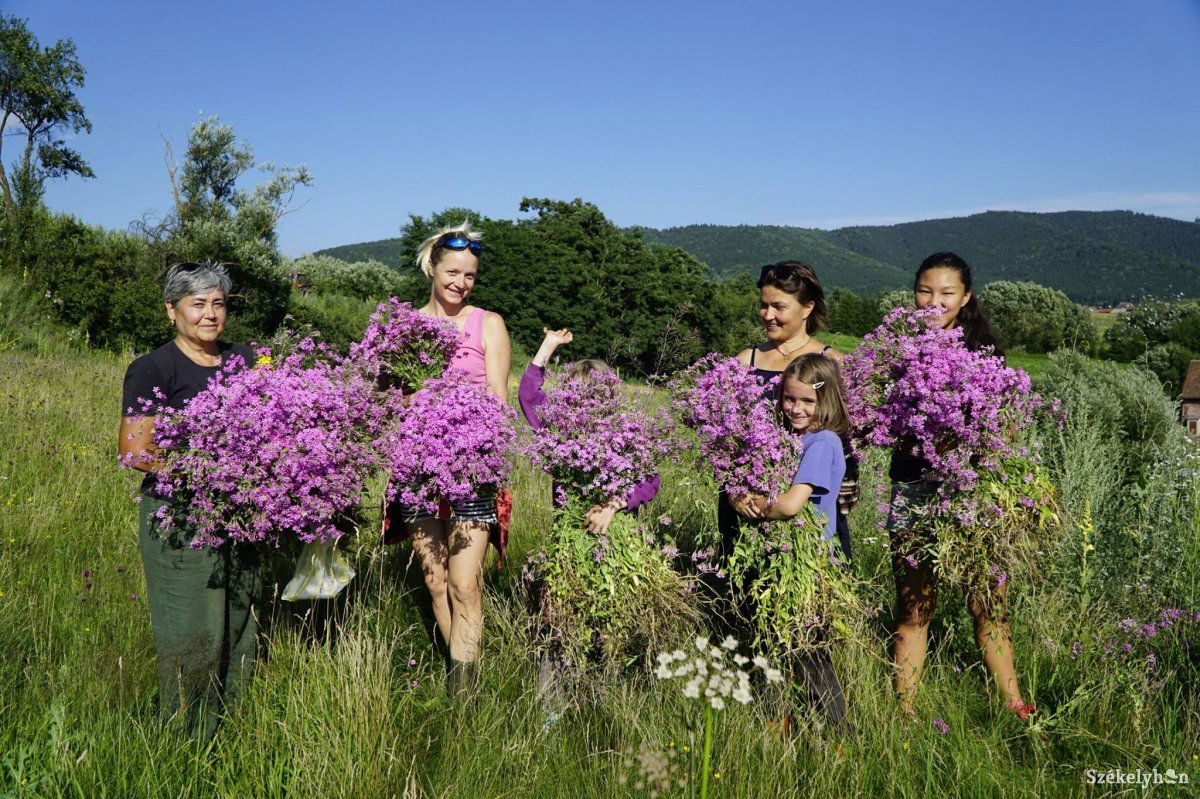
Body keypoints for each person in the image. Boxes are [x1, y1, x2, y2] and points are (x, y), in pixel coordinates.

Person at [887, 251, 1034, 719]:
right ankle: (905, 713)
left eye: (946, 293)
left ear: (966, 297)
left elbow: (1009, 429)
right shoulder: (897, 351)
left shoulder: (983, 356)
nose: (934, 302)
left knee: (989, 607)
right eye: (924, 291)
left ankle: (1015, 705)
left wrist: (972, 435)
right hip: (913, 487)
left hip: (976, 491)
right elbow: (878, 420)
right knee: (914, 609)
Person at [117, 261, 260, 738]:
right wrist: (210, 474)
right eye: (197, 304)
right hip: (180, 518)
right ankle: (185, 739)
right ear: (171, 310)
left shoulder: (247, 360)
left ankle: (232, 730)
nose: (210, 314)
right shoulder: (153, 368)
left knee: (239, 625)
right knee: (191, 632)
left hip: (243, 515)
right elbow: (135, 450)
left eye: (218, 303)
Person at [519, 327, 662, 722]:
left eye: (597, 397)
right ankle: (551, 714)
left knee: (608, 621)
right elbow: (528, 395)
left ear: (612, 398)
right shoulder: (559, 432)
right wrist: (548, 346)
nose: (587, 406)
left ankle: (602, 708)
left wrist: (613, 506)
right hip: (569, 544)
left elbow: (650, 482)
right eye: (578, 398)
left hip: (614, 544)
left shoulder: (627, 435)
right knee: (558, 621)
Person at [402, 221, 511, 697]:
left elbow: (499, 399)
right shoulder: (405, 327)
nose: (460, 283)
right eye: (452, 272)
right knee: (435, 581)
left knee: (465, 584)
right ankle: (460, 685)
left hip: (472, 468)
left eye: (469, 276)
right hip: (416, 468)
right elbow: (384, 397)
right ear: (432, 267)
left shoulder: (488, 324)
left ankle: (464, 696)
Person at [731, 353, 851, 729]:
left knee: (808, 650)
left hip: (808, 565)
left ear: (826, 399)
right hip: (779, 560)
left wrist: (756, 502)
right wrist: (739, 498)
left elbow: (788, 505)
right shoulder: (786, 438)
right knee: (772, 645)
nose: (795, 408)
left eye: (807, 400)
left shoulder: (823, 442)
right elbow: (746, 487)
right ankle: (777, 725)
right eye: (789, 398)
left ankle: (836, 733)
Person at [723, 261, 856, 566]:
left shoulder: (834, 363)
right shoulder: (744, 361)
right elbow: (723, 439)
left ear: (807, 308)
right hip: (747, 507)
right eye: (763, 305)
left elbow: (849, 434)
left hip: (806, 508)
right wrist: (736, 494)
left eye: (778, 307)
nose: (767, 315)